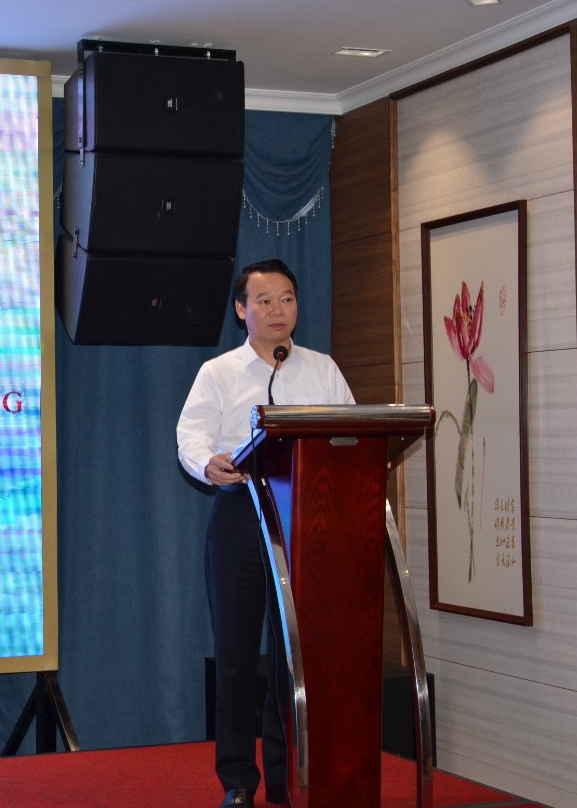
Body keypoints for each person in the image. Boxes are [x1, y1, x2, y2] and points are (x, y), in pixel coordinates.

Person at [176, 258, 354, 808]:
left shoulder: (322, 369)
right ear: (241, 310)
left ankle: (285, 777)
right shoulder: (219, 373)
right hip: (240, 515)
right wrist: (208, 463)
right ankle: (237, 781)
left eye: (287, 299)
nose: (278, 310)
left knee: (292, 655)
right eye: (264, 300)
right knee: (235, 655)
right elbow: (191, 436)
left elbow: (351, 429)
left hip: (303, 517)